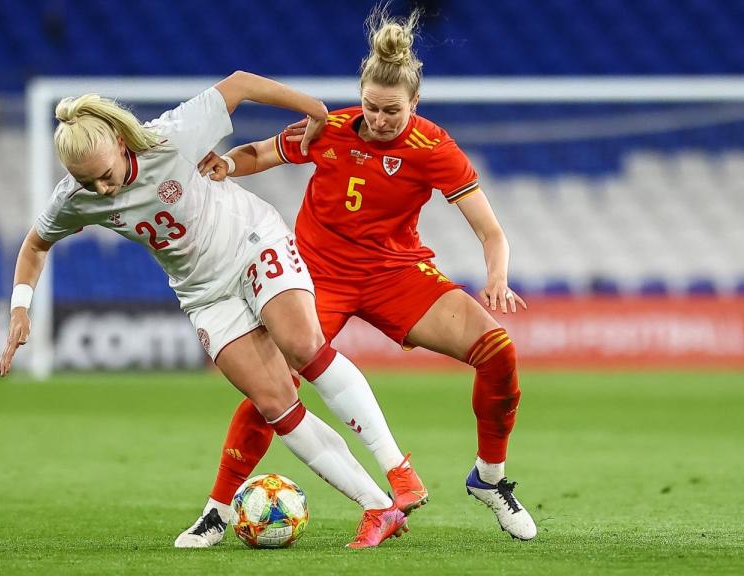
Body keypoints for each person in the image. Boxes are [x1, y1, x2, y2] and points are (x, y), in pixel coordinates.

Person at [0, 70, 414, 549]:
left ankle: (397, 468)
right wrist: (20, 308)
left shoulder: (171, 136)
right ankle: (378, 507)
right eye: (87, 181)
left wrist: (314, 108)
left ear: (118, 141)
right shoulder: (76, 198)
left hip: (253, 242)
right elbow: (35, 244)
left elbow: (238, 85)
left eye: (106, 175)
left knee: (302, 347)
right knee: (276, 404)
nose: (103, 190)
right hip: (204, 294)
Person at [191, 7, 537, 543]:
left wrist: (497, 276)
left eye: (392, 111)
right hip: (316, 278)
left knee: (498, 352)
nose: (379, 119)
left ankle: (489, 479)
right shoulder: (330, 128)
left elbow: (491, 231)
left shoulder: (433, 148)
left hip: (397, 275)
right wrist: (228, 164)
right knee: (271, 390)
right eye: (372, 107)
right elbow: (264, 152)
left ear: (415, 104)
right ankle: (216, 509)